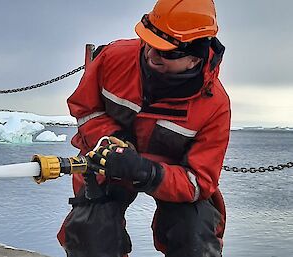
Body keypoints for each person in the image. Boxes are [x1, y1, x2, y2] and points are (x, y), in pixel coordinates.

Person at [58, 0, 231, 256]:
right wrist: (111, 139)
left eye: (166, 52)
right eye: (149, 43)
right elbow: (84, 108)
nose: (151, 55)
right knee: (90, 230)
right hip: (107, 164)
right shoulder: (114, 57)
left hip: (171, 176)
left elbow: (198, 182)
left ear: (195, 58)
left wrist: (146, 172)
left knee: (194, 233)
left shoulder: (215, 106)